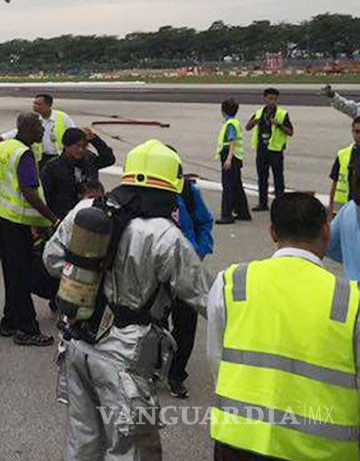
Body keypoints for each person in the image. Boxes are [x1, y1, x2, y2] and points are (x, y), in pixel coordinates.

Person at [44, 140, 210, 461]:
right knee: (130, 450)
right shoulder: (164, 234)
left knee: (83, 441)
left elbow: (52, 259)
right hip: (126, 358)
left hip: (76, 344)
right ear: (170, 185)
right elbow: (204, 296)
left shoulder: (86, 209)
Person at [207, 192, 359, 461]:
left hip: (238, 441)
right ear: (326, 231)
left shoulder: (231, 282)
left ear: (272, 232)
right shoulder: (350, 301)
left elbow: (217, 359)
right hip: (321, 450)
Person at [0, 112, 59, 346]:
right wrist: (51, 218)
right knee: (21, 276)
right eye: (39, 126)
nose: (42, 131)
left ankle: (9, 321)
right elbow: (29, 191)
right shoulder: (24, 154)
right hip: (15, 221)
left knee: (12, 273)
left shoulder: (6, 147)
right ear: (28, 128)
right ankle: (26, 328)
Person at [168, 176, 214, 399]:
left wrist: (201, 249)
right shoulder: (145, 195)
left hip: (188, 270)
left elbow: (204, 221)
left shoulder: (188, 190)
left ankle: (176, 374)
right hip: (157, 270)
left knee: (185, 325)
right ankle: (155, 365)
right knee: (152, 322)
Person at [40, 127, 116, 224]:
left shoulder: (89, 160)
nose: (81, 150)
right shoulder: (53, 167)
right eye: (77, 146)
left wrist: (94, 139)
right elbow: (45, 196)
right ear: (66, 146)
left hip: (88, 216)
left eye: (84, 147)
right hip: (64, 218)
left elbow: (109, 159)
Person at [246, 87, 294, 211]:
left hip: (275, 150)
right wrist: (255, 121)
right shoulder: (259, 112)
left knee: (278, 178)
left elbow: (290, 132)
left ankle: (280, 204)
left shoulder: (282, 114)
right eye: (269, 99)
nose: (271, 101)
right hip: (261, 150)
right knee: (262, 178)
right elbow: (247, 127)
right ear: (265, 99)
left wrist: (278, 125)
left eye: (274, 99)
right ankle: (262, 203)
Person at [216, 98, 251, 225]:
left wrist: (229, 158)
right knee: (236, 185)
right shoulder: (234, 122)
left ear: (223, 110)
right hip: (236, 156)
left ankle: (227, 214)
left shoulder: (230, 124)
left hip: (230, 155)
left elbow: (232, 141)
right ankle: (243, 212)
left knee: (228, 186)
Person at [328, 115, 360, 219]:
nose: (359, 135)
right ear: (352, 132)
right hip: (344, 211)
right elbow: (335, 184)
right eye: (357, 132)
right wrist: (331, 209)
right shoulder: (343, 154)